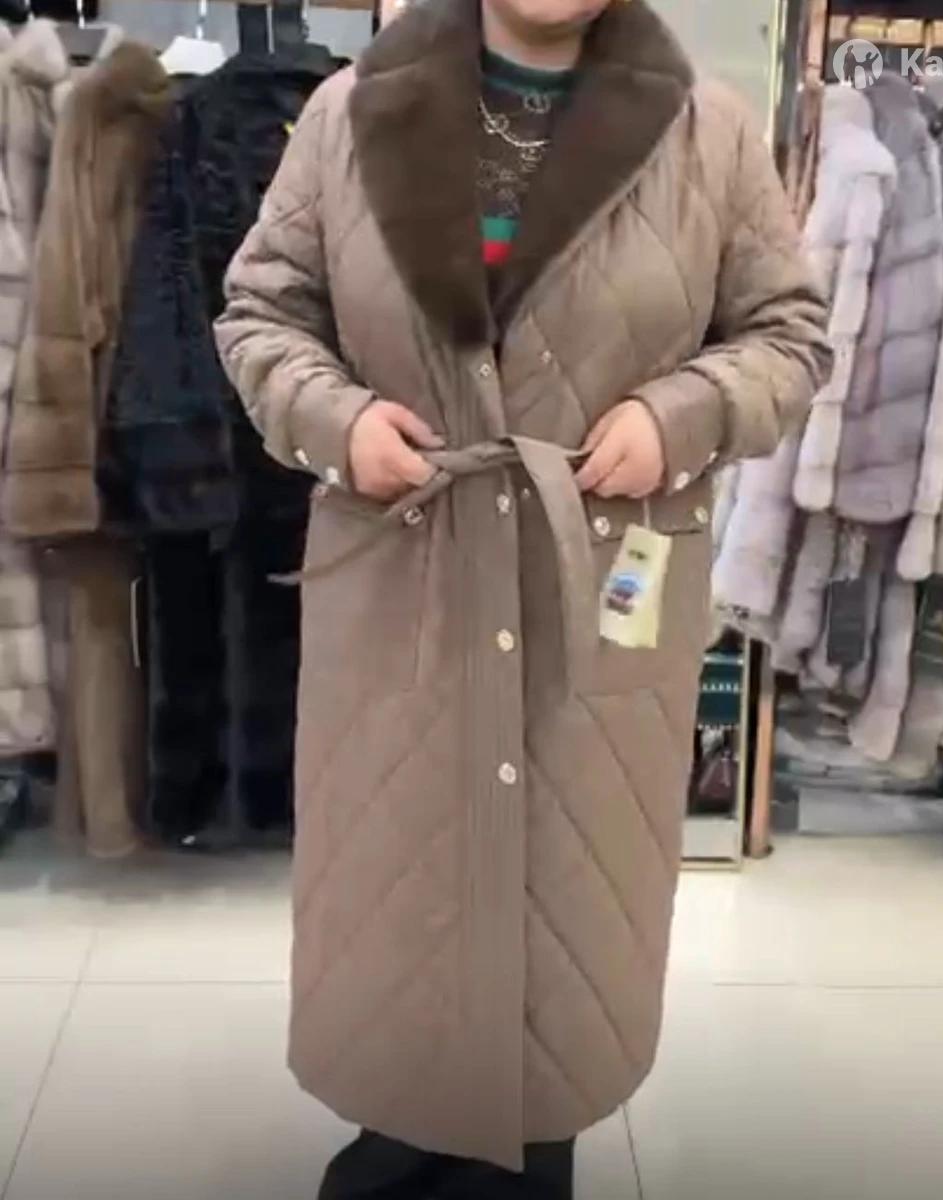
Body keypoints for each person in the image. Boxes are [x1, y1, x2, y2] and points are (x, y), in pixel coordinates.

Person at [215, 0, 829, 1195]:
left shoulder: (708, 132)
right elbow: (261, 315)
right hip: (404, 579)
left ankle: (527, 1146)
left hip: (594, 587)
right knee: (396, 897)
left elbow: (790, 336)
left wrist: (679, 414)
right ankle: (401, 1144)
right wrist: (335, 419)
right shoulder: (348, 115)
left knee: (565, 914)